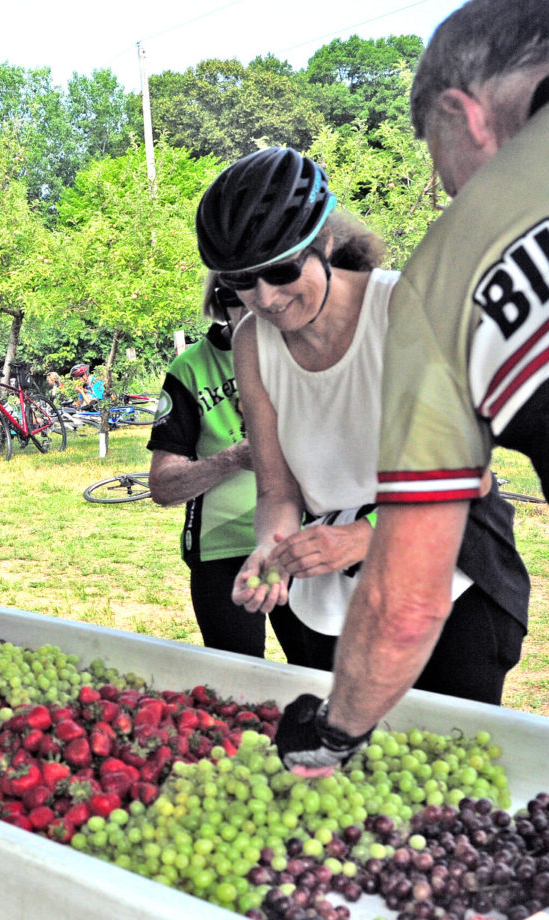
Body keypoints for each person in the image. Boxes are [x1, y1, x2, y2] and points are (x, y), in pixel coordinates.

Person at [265, 4, 549, 920]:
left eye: (433, 152)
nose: (442, 182)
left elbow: (406, 599)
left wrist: (339, 734)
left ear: (464, 114)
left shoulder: (448, 272)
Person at [195, 146, 529, 702]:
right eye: (241, 282)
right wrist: (271, 548)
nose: (267, 298)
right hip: (330, 598)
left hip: (449, 578)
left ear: (325, 242)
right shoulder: (251, 341)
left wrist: (364, 538)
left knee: (445, 763)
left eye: (281, 270)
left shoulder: (408, 308)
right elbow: (277, 487)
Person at [146, 274, 301, 659]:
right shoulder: (191, 368)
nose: (254, 305)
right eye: (234, 295)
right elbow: (162, 487)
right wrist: (235, 457)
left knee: (321, 676)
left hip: (300, 542)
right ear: (218, 301)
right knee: (236, 683)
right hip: (222, 551)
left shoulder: (305, 350)